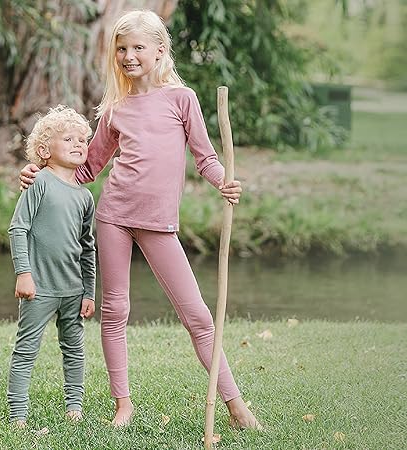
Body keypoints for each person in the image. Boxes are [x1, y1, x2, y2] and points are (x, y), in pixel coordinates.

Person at [19, 10, 261, 429]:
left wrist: (224, 181)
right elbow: (86, 169)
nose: (128, 56)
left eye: (137, 48)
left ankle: (236, 407)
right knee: (114, 312)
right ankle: (123, 404)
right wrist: (40, 174)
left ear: (160, 50)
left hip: (159, 224)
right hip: (114, 217)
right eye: (122, 49)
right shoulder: (115, 109)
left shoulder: (181, 100)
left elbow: (205, 157)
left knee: (199, 317)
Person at [7, 105, 96, 427]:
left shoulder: (85, 197)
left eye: (83, 140)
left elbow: (88, 247)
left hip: (73, 289)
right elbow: (18, 228)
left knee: (74, 349)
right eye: (68, 139)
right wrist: (24, 273)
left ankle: (74, 407)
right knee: (26, 350)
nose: (78, 144)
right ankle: (18, 415)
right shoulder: (39, 182)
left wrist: (89, 291)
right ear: (44, 150)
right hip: (39, 288)